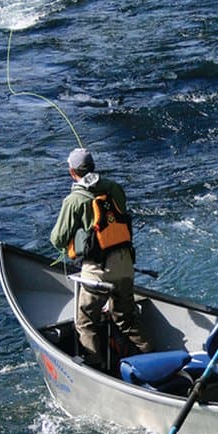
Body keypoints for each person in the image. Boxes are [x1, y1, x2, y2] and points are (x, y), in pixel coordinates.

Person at [50, 147, 151, 368]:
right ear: (93, 167)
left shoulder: (74, 200)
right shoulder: (114, 188)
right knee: (126, 319)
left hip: (98, 270)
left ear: (71, 171)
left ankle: (96, 370)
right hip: (125, 264)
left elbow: (57, 239)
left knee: (86, 322)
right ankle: (150, 359)